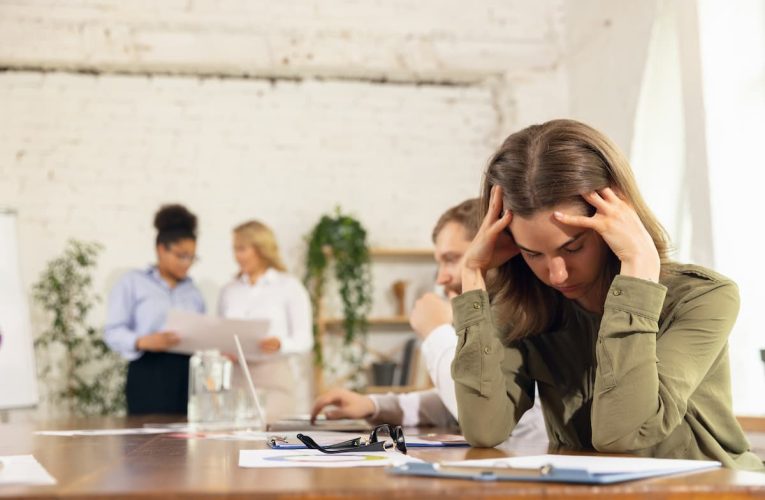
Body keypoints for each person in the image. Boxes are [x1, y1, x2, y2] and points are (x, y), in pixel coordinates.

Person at [452, 119, 763, 470]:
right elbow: (483, 428)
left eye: (573, 247)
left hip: (713, 492)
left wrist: (638, 271)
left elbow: (622, 433)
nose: (556, 274)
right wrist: (472, 275)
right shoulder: (524, 308)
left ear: (616, 218)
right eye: (532, 254)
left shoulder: (704, 298)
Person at [311, 199, 546, 443]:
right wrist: (374, 405)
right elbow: (470, 396)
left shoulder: (527, 319)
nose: (442, 278)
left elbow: (494, 420)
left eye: (452, 259)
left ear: (496, 249)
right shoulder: (495, 314)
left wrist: (436, 332)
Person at [104, 204, 205, 415]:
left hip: (186, 375)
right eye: (181, 255)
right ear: (161, 249)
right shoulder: (133, 282)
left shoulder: (193, 292)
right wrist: (143, 341)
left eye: (192, 257)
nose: (187, 263)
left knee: (187, 441)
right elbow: (112, 331)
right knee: (146, 443)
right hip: (148, 372)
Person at [218, 220, 312, 419]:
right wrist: (225, 349)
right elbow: (223, 332)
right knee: (233, 441)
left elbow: (305, 339)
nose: (236, 256)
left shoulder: (289, 286)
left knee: (270, 440)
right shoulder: (229, 290)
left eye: (242, 249)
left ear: (260, 249)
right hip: (236, 378)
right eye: (234, 249)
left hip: (273, 377)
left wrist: (280, 344)